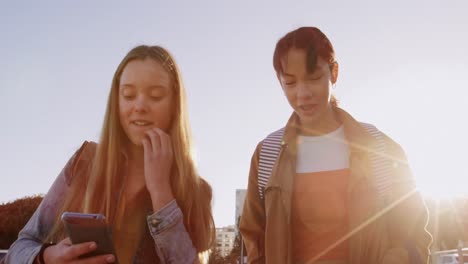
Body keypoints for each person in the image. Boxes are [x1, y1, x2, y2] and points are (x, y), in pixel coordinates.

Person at [4, 45, 215, 263]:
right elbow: (20, 247)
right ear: (116, 102)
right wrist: (47, 257)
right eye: (129, 95)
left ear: (175, 105)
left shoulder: (196, 190)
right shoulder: (84, 162)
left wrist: (161, 190)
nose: (140, 106)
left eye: (155, 95)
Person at [240, 27, 432, 264]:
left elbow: (414, 237)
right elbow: (254, 243)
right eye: (290, 83)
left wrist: (398, 258)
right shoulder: (267, 154)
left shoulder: (379, 148)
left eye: (314, 78)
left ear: (334, 72)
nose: (303, 93)